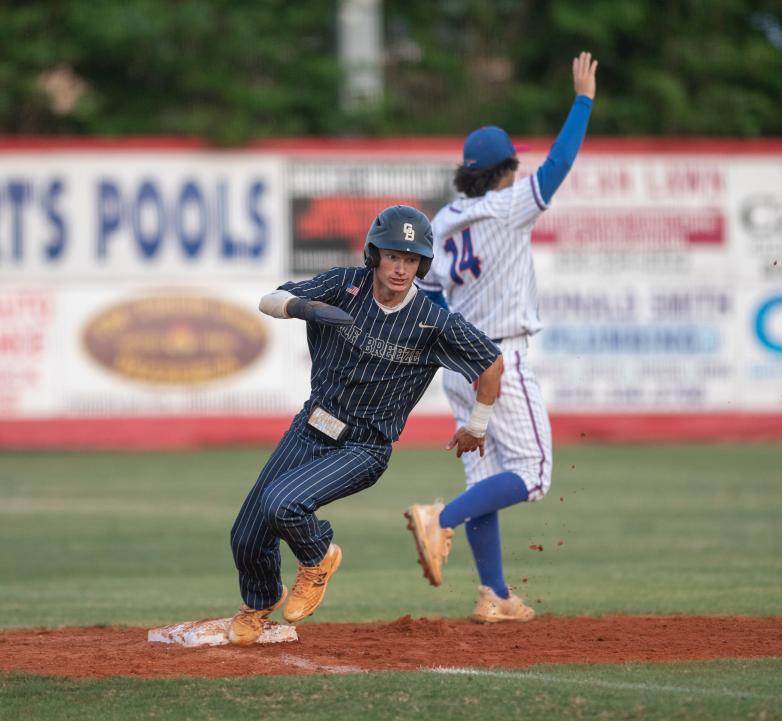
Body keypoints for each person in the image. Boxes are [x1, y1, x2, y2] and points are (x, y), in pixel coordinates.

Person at [228, 204, 504, 646]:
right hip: (311, 427)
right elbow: (271, 300)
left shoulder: (432, 321)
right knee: (245, 532)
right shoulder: (344, 284)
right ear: (374, 254)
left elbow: (491, 363)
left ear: (422, 264)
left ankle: (319, 557)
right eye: (394, 255)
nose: (401, 268)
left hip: (364, 446)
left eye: (411, 259)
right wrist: (305, 308)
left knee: (283, 504)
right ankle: (259, 602)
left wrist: (478, 424)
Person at [406, 52, 598, 623]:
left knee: (488, 473)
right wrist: (583, 99)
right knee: (534, 474)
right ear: (506, 170)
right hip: (500, 359)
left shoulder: (443, 221)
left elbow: (432, 294)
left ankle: (494, 594)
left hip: (458, 366)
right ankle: (439, 519)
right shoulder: (509, 204)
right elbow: (559, 164)